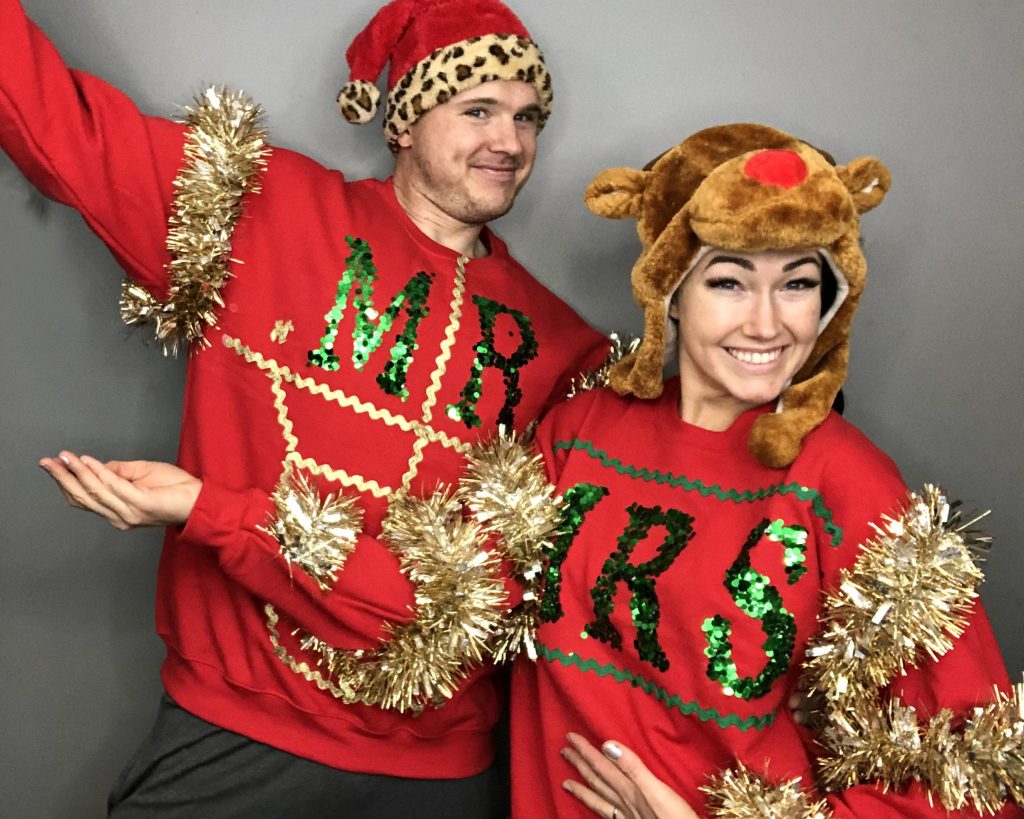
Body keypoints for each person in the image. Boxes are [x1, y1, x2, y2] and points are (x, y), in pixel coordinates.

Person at [2, 0, 611, 815]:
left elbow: (483, 601)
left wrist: (212, 511)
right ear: (404, 120)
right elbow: (58, 124)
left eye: (528, 117)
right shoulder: (266, 208)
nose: (510, 141)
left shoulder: (566, 352)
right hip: (234, 734)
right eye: (479, 110)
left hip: (435, 774)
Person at [509, 124, 1020, 817]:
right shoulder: (581, 430)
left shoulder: (848, 480)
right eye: (729, 281)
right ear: (671, 289)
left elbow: (973, 772)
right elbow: (447, 608)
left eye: (797, 283)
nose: (766, 323)